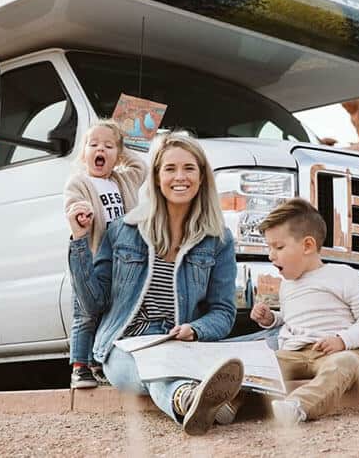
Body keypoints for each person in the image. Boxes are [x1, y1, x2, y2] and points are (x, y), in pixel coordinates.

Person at [66, 132, 243, 435]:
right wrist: (79, 241)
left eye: (189, 168)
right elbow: (93, 303)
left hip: (182, 343)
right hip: (125, 346)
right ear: (157, 177)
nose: (180, 177)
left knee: (269, 339)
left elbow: (223, 312)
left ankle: (215, 398)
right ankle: (186, 399)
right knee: (156, 372)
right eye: (170, 168)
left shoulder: (219, 239)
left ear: (202, 177)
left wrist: (197, 329)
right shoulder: (123, 231)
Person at [250, 197, 359, 423]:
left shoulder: (344, 275)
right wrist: (272, 319)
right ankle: (226, 405)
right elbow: (295, 321)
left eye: (278, 247)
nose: (271, 256)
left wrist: (342, 340)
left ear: (308, 246)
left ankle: (298, 405)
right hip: (295, 353)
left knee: (343, 365)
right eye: (269, 248)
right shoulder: (287, 285)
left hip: (339, 353)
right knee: (261, 364)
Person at [63, 120, 147, 389]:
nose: (101, 149)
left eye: (109, 146)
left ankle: (98, 361)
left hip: (122, 258)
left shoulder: (123, 179)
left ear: (118, 154)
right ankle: (80, 366)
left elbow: (140, 167)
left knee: (111, 310)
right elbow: (72, 201)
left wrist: (123, 143)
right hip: (93, 253)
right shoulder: (80, 181)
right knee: (86, 311)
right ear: (84, 152)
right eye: (94, 144)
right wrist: (81, 211)